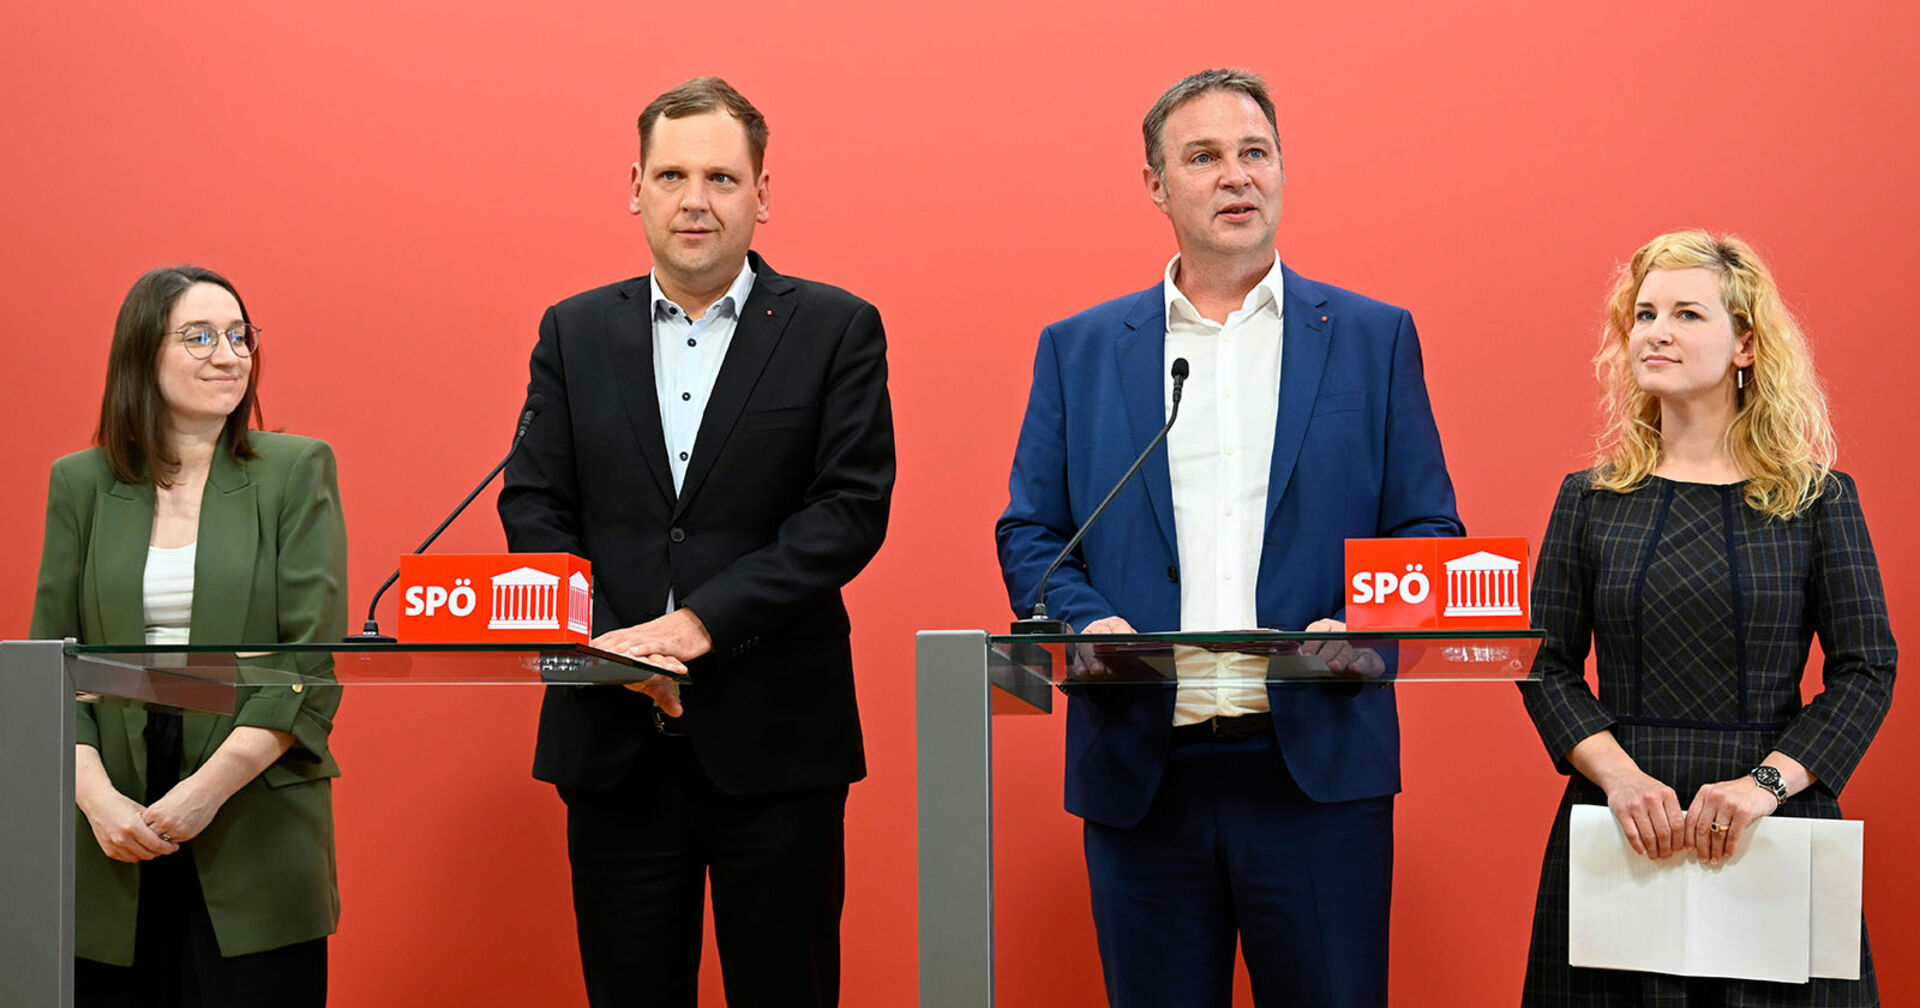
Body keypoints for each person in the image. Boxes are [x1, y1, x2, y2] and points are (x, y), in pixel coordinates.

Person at [995, 68, 1461, 1008]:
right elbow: (1033, 533)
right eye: (1203, 157)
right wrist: (1094, 626)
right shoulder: (1080, 350)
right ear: (1157, 185)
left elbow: (1428, 531)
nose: (1235, 177)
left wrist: (1356, 630)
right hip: (1142, 773)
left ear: (1283, 169)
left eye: (1255, 153)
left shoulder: (1371, 337)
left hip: (1317, 773)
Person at [497, 76, 894, 1007]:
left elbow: (846, 512)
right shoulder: (574, 330)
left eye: (721, 176)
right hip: (613, 741)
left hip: (778, 743)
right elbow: (534, 506)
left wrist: (698, 625)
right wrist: (610, 646)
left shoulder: (836, 328)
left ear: (763, 194)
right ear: (634, 186)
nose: (695, 200)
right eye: (671, 174)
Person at [1520, 231, 1895, 1004]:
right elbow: (1543, 662)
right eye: (1645, 313)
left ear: (1745, 345)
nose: (1656, 331)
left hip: (1775, 821)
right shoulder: (1588, 500)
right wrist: (1621, 781)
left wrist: (1764, 784)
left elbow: (1867, 670)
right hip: (1622, 824)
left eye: (1687, 314)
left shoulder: (1820, 501)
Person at [30, 265, 348, 1007]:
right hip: (108, 816)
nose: (228, 354)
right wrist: (95, 798)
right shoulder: (80, 483)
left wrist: (205, 793)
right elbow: (53, 660)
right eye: (199, 336)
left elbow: (307, 658)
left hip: (250, 803)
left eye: (240, 336)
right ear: (143, 354)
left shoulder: (295, 470)